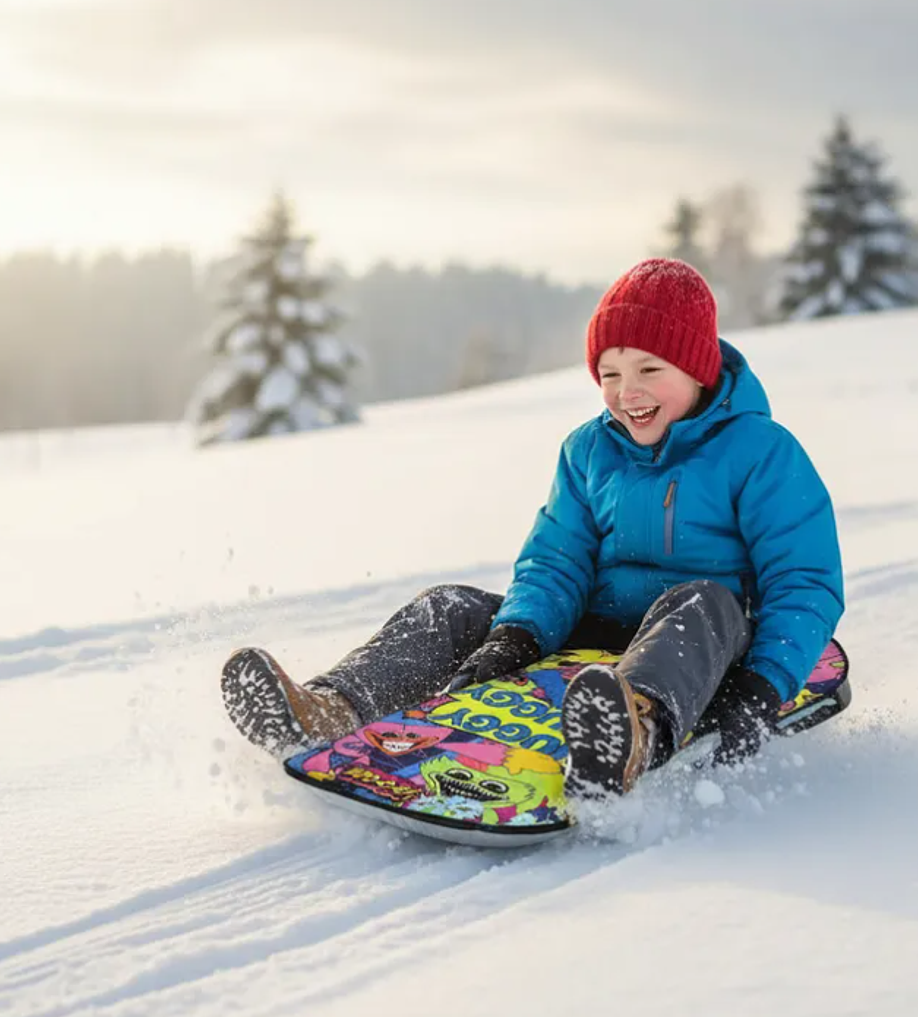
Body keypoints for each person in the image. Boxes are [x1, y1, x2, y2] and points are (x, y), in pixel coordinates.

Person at [221, 258, 844, 799]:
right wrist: (515, 637)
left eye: (649, 370)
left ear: (699, 369)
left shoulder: (761, 452)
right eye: (610, 374)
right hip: (596, 632)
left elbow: (805, 580)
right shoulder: (588, 452)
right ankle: (331, 709)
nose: (628, 393)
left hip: (709, 644)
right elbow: (556, 559)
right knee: (452, 606)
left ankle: (632, 732)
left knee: (702, 600)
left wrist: (764, 686)